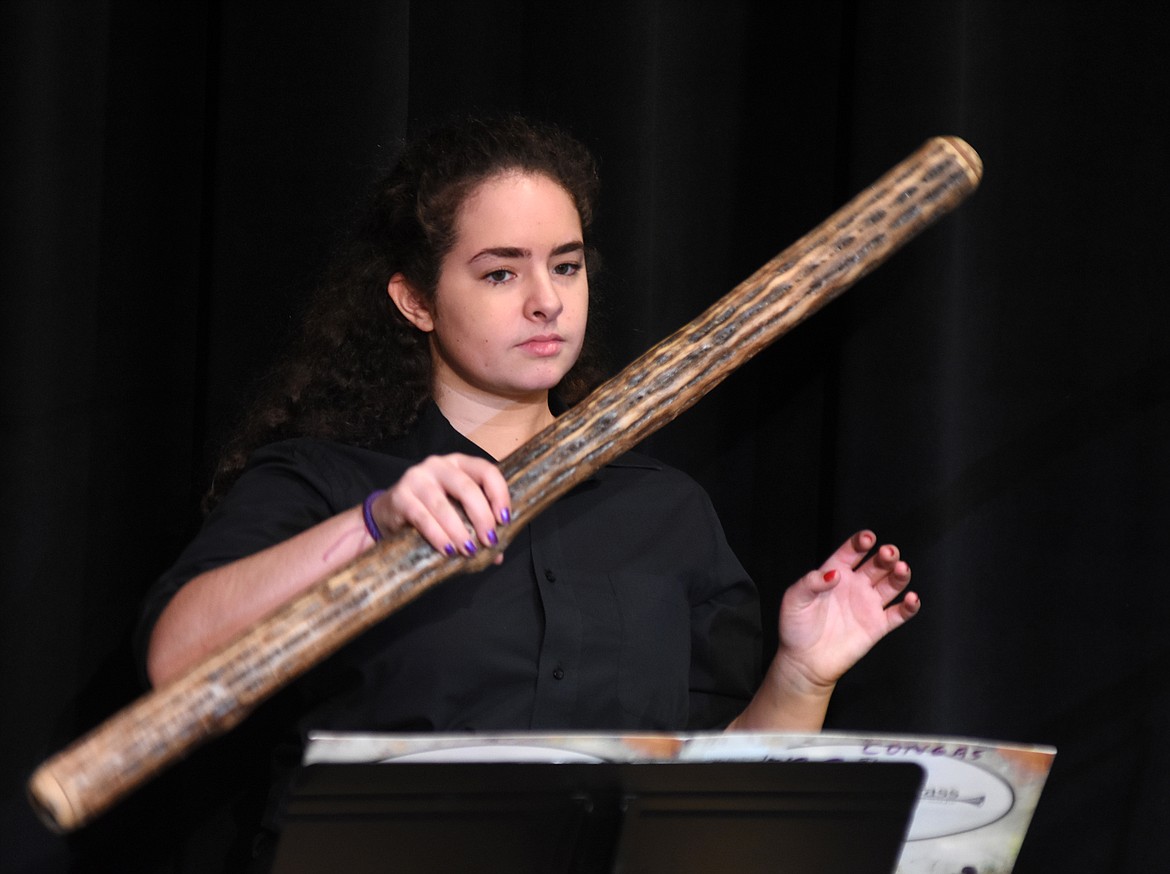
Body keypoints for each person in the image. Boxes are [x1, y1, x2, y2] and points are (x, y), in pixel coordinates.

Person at [136, 113, 918, 861]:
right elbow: (177, 661)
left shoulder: (665, 510)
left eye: (566, 265)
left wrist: (801, 675)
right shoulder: (329, 480)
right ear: (415, 299)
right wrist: (374, 525)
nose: (546, 299)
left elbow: (711, 803)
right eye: (500, 271)